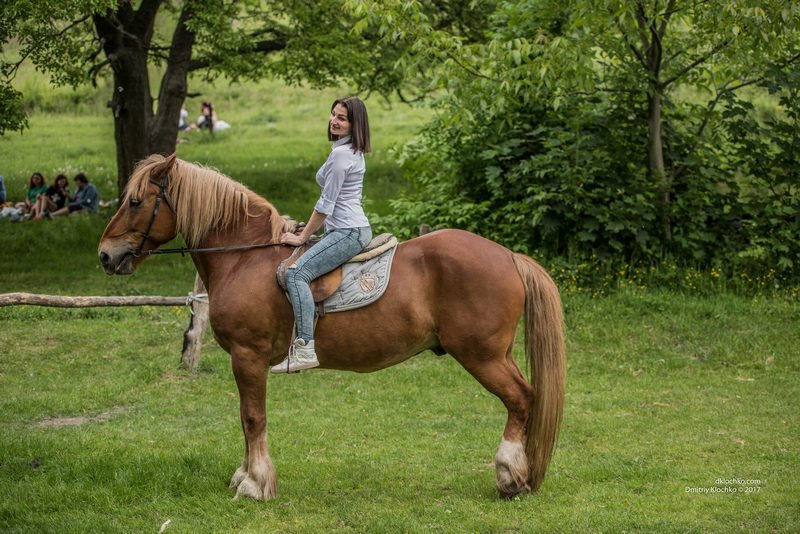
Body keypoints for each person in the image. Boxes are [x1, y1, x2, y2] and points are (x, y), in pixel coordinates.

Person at [271, 96, 373, 373]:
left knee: (296, 273)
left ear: (354, 124)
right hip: (346, 228)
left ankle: (304, 348)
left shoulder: (342, 155)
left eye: (341, 118)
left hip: (348, 232)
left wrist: (302, 238)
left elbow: (326, 205)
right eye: (333, 115)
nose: (334, 121)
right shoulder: (346, 149)